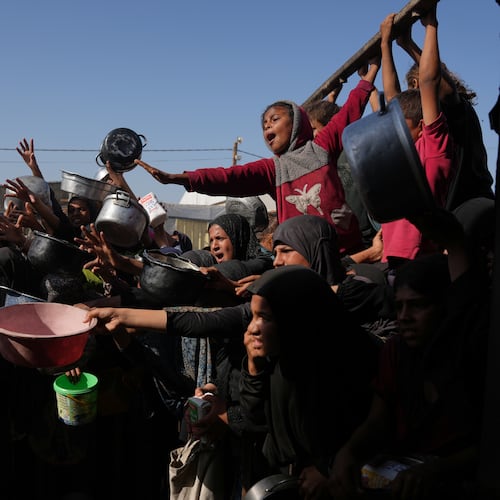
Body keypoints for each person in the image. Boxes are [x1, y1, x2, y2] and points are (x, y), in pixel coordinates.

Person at [135, 58, 380, 256]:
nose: (267, 128)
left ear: (296, 124)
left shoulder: (322, 147)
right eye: (264, 124)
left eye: (275, 119)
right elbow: (228, 177)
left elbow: (348, 112)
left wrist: (369, 76)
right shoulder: (273, 169)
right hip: (302, 259)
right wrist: (181, 179)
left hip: (346, 250)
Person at [328, 207, 490, 500]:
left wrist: (441, 469)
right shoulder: (396, 350)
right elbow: (379, 420)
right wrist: (349, 452)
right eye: (399, 307)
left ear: (446, 308)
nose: (404, 317)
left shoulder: (473, 352)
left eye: (417, 306)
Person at [239, 265, 379, 498]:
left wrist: (327, 468)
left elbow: (375, 429)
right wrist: (254, 366)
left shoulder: (350, 360)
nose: (252, 328)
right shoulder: (280, 360)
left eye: (265, 317)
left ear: (294, 316)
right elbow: (254, 419)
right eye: (252, 316)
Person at [378, 6, 456, 271]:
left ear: (421, 127)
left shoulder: (432, 149)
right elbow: (391, 96)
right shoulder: (399, 152)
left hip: (419, 264)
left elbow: (428, 81)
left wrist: (430, 24)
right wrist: (385, 45)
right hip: (390, 262)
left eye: (399, 123)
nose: (392, 127)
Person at [392, 16, 494, 211]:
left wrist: (409, 44)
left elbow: (437, 84)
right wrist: (387, 49)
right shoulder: (430, 125)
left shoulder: (456, 109)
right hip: (453, 210)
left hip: (471, 205)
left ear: (417, 84)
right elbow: (393, 99)